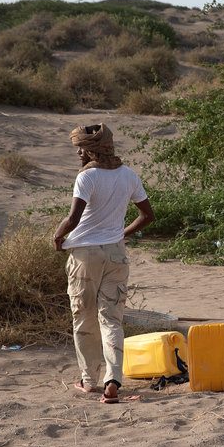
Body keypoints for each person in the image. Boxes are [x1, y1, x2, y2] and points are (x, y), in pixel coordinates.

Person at [52, 124, 154, 404]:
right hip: (116, 254)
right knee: (111, 318)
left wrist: (58, 236)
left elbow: (73, 219)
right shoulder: (129, 175)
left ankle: (88, 380)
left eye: (81, 148)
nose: (78, 153)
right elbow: (147, 215)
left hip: (86, 255)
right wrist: (122, 234)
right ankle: (114, 380)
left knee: (83, 316)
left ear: (92, 149)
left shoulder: (86, 178)